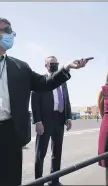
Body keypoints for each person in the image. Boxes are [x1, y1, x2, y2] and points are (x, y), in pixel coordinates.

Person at [0, 17, 90, 186]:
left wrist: (66, 68)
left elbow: (44, 83)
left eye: (12, 31)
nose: (12, 34)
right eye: (7, 30)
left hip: (8, 136)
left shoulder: (20, 67)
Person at [31, 56, 72, 186]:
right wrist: (38, 121)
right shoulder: (42, 80)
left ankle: (54, 180)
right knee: (40, 153)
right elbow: (35, 102)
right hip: (45, 120)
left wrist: (68, 117)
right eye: (51, 63)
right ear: (46, 66)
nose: (54, 65)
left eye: (56, 63)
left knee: (57, 152)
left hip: (59, 119)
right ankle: (39, 181)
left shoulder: (62, 81)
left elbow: (66, 99)